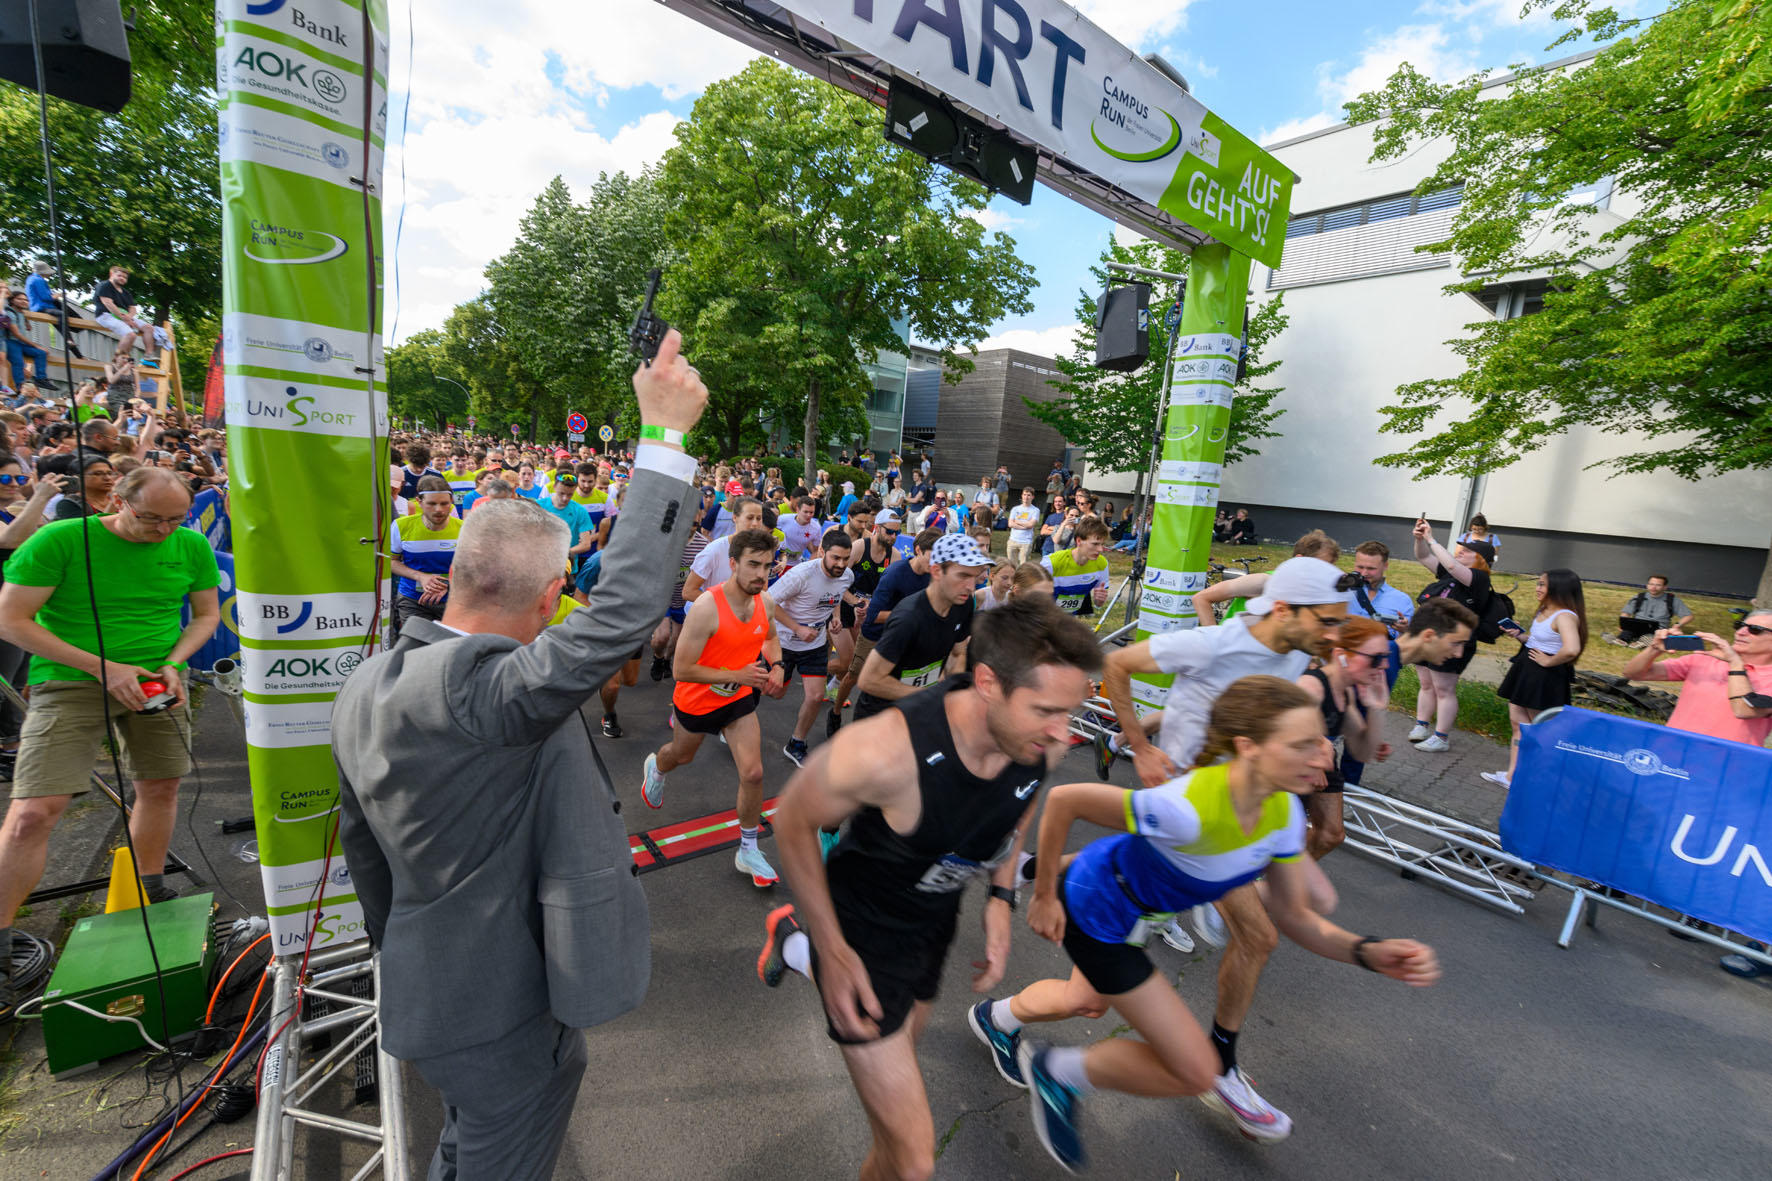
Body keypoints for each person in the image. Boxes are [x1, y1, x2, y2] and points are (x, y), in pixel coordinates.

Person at [331, 330, 703, 1181]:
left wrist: (415, 950)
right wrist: (665, 440)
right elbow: (626, 610)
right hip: (502, 1004)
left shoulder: (365, 685)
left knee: (468, 1144)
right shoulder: (485, 693)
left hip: (434, 986)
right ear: (547, 596)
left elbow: (366, 859)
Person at [975, 676, 1441, 1170]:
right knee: (1197, 1070)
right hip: (1097, 905)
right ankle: (1060, 1070)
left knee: (1084, 1002)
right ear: (1249, 747)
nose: (1325, 757)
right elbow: (1067, 800)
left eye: (1322, 742)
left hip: (1139, 910)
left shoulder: (1282, 812)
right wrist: (1044, 893)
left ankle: (995, 1019)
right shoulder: (1188, 809)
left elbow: (1294, 917)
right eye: (1303, 744)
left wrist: (1368, 951)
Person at [757, 596, 1103, 1181]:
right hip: (860, 934)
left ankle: (792, 943)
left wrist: (1000, 897)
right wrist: (834, 948)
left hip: (931, 924)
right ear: (989, 683)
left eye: (1070, 714)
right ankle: (808, 945)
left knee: (895, 1146)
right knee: (916, 1159)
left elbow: (1018, 811)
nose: (1063, 734)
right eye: (1047, 711)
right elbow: (792, 819)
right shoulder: (887, 750)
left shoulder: (1034, 739)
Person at [1090, 557, 1352, 1130]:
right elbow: (1115, 662)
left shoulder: (1296, 649)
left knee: (1241, 931)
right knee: (1255, 936)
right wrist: (1139, 744)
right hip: (1190, 800)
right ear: (1284, 610)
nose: (1334, 634)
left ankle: (1031, 874)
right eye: (1326, 621)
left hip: (1239, 802)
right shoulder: (1212, 645)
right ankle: (1219, 1066)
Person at [0, 468, 221, 1003]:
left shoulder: (190, 545)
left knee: (161, 787)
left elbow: (206, 615)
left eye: (176, 519)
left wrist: (174, 662)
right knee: (34, 810)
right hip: (71, 682)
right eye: (151, 518)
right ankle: (2, 935)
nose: (165, 529)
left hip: (156, 680)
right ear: (118, 500)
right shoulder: (61, 539)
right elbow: (12, 619)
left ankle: (151, 887)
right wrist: (102, 668)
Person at [1622, 610, 1772, 980]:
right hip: (1672, 763)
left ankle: (1696, 911)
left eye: (1754, 629)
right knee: (1647, 822)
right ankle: (1615, 881)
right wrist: (1654, 650)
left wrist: (1735, 661)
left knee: (1702, 838)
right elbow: (1634, 673)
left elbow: (1744, 707)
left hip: (1727, 774)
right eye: (1740, 625)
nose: (1742, 632)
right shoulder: (1701, 659)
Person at [642, 528, 788, 886]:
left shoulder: (764, 603)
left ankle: (748, 848)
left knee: (753, 773)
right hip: (696, 701)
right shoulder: (708, 606)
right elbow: (681, 669)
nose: (761, 574)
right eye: (753, 565)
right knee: (681, 756)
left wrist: (778, 665)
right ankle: (657, 768)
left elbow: (769, 637)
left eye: (767, 566)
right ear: (733, 564)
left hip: (738, 700)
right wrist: (738, 672)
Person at [853, 533, 990, 722]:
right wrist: (928, 694)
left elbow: (957, 653)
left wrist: (951, 691)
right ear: (936, 571)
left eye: (975, 577)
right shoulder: (908, 618)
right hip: (881, 717)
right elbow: (869, 680)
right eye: (963, 575)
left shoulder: (963, 604)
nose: (971, 587)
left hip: (920, 711)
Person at [1295, 617, 1392, 858]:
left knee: (1331, 834)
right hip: (1292, 766)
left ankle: (1283, 876)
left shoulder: (1345, 691)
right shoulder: (1311, 687)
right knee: (1287, 836)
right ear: (1341, 655)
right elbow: (1278, 736)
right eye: (1377, 658)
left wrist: (1377, 708)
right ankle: (1272, 880)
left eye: (1386, 657)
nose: (1385, 666)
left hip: (1320, 762)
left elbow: (1363, 752)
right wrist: (1317, 750)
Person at [1484, 569, 1587, 789]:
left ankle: (1537, 779)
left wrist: (1549, 661)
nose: (1538, 588)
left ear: (1559, 589)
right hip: (1527, 669)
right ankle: (1512, 776)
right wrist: (1520, 636)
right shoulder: (1546, 610)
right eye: (1538, 584)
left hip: (1545, 676)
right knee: (1519, 726)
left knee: (1540, 731)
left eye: (1543, 585)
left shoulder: (1565, 615)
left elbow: (1572, 649)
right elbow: (1541, 640)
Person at [1409, 516, 1495, 753]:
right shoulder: (1451, 575)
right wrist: (1420, 540)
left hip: (1452, 643)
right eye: (1461, 549)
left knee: (1444, 689)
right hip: (1430, 636)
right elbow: (1423, 557)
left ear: (1480, 559)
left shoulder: (1478, 579)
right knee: (1426, 684)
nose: (1460, 552)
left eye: (1467, 551)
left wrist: (1431, 538)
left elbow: (1451, 566)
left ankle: (1441, 737)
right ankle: (1422, 725)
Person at [0, 461, 65, 771]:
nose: (14, 482)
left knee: (21, 676)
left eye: (20, 477)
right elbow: (9, 540)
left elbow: (44, 535)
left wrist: (34, 507)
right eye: (5, 477)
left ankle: (13, 743)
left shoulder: (19, 507)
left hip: (25, 606)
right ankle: (9, 745)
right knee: (6, 681)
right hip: (4, 611)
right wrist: (39, 497)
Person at [774, 528, 855, 766]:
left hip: (816, 645)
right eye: (835, 558)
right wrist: (797, 628)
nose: (841, 564)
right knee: (775, 692)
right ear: (822, 552)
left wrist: (835, 617)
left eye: (845, 558)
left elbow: (836, 595)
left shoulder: (847, 576)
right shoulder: (800, 575)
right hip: (784, 643)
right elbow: (769, 602)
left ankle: (796, 743)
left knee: (816, 696)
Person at [825, 515, 909, 738]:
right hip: (842, 606)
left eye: (896, 533)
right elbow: (835, 581)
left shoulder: (896, 556)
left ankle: (832, 684)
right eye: (889, 531)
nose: (893, 537)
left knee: (852, 664)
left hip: (866, 613)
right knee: (846, 661)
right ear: (876, 528)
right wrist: (856, 602)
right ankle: (813, 671)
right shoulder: (860, 547)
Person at [388, 476, 462, 635]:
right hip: (413, 600)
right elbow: (391, 562)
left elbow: (473, 568)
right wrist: (421, 577)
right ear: (419, 501)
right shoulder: (401, 526)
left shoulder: (464, 528)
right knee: (417, 650)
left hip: (454, 602)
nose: (439, 509)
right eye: (432, 503)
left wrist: (448, 584)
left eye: (444, 503)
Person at [682, 496, 768, 603]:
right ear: (735, 517)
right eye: (750, 518)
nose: (755, 523)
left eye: (759, 518)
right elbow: (688, 592)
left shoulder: (761, 551)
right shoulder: (715, 549)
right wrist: (725, 605)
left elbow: (763, 590)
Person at [1040, 516, 1111, 616]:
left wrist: (1099, 600)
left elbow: (1098, 603)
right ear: (1079, 541)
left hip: (1068, 620)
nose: (1100, 549)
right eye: (1095, 544)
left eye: (1102, 544)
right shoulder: (1052, 563)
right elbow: (1029, 597)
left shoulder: (1102, 564)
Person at [91, 265, 159, 356]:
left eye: (125, 277)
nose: (122, 278)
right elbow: (108, 303)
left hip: (124, 317)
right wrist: (125, 319)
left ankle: (148, 356)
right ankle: (118, 362)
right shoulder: (104, 285)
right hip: (105, 315)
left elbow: (133, 308)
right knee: (130, 335)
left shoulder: (126, 292)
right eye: (119, 276)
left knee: (149, 328)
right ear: (111, 274)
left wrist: (129, 318)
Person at [1611, 575, 1694, 646]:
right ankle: (1622, 640)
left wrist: (1676, 626)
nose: (1653, 587)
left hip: (1658, 629)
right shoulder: (1639, 597)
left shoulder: (1672, 600)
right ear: (1647, 585)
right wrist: (1623, 625)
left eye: (1658, 585)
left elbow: (1688, 616)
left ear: (1665, 587)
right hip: (1637, 625)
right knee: (1627, 632)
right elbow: (1626, 613)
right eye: (1651, 584)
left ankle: (1641, 643)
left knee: (1652, 636)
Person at [539, 472, 597, 571]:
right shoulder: (539, 506)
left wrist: (565, 553)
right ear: (554, 487)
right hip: (541, 564)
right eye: (561, 493)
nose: (565, 498)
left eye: (570, 494)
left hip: (568, 568)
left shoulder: (579, 510)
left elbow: (586, 544)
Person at [3, 292, 53, 393]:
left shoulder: (21, 313)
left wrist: (27, 322)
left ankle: (41, 379)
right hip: (11, 341)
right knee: (18, 362)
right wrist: (36, 345)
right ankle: (20, 387)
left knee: (41, 353)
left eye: (26, 300)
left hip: (20, 343)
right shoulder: (10, 313)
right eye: (20, 299)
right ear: (12, 300)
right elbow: (17, 334)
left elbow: (22, 317)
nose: (24, 302)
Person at [50, 454, 118, 520]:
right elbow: (87, 530)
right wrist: (112, 505)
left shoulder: (118, 498)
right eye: (98, 474)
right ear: (78, 478)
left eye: (110, 473)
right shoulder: (70, 504)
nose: (107, 478)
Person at [780, 495, 825, 567]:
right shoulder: (783, 519)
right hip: (777, 561)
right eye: (805, 512)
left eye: (811, 512)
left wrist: (807, 567)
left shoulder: (816, 528)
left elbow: (816, 551)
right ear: (797, 510)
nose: (808, 515)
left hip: (795, 565)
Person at [1005, 488, 1041, 566]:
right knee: (1011, 565)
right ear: (1022, 495)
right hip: (1012, 540)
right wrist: (1024, 526)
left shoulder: (1035, 510)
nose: (1026, 497)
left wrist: (1017, 521)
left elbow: (1031, 525)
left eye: (1029, 495)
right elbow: (1010, 524)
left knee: (1023, 566)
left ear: (1032, 497)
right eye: (1024, 494)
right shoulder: (1015, 509)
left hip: (1026, 542)